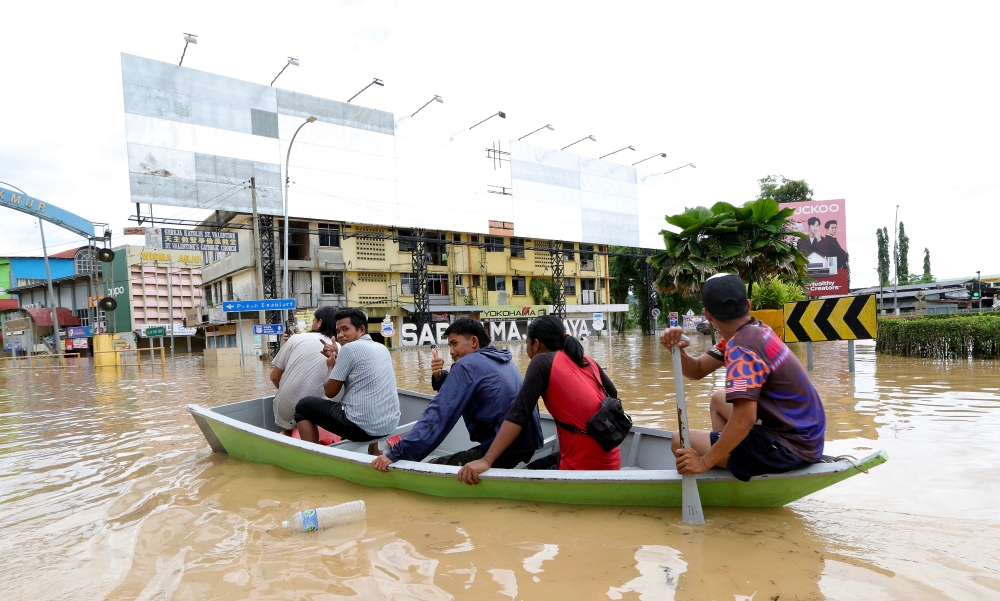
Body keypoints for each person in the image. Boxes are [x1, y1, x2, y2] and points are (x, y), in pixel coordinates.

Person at [659, 273, 826, 482]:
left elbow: (745, 417)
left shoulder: (741, 349)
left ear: (707, 314)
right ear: (748, 305)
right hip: (806, 438)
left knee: (679, 441)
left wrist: (703, 462)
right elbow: (697, 370)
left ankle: (724, 462)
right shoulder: (755, 330)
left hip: (788, 447)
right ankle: (731, 458)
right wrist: (678, 352)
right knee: (719, 399)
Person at [457, 315, 620, 485]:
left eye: (526, 342)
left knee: (520, 480)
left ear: (536, 344)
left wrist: (487, 460)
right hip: (610, 457)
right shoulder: (585, 359)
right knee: (529, 470)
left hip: (583, 466)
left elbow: (519, 415)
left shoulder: (541, 361)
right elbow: (613, 394)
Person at [371, 318, 543, 472]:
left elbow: (438, 416)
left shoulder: (465, 365)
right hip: (527, 443)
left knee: (431, 468)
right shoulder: (500, 358)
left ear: (474, 341)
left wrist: (397, 453)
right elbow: (473, 388)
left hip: (503, 448)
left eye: (454, 343)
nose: (451, 351)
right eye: (450, 345)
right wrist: (442, 378)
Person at [294, 308, 400, 454]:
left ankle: (312, 454)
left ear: (361, 329)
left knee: (303, 406)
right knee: (369, 395)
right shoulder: (381, 348)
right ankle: (374, 450)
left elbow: (330, 392)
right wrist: (338, 356)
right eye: (338, 331)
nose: (340, 336)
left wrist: (331, 365)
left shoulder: (349, 349)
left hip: (360, 429)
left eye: (345, 329)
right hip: (388, 425)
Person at [268, 306, 342, 430]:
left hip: (285, 407)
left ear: (320, 322)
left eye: (314, 320)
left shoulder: (295, 339)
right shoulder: (340, 348)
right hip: (317, 410)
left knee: (291, 425)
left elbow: (274, 377)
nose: (312, 323)